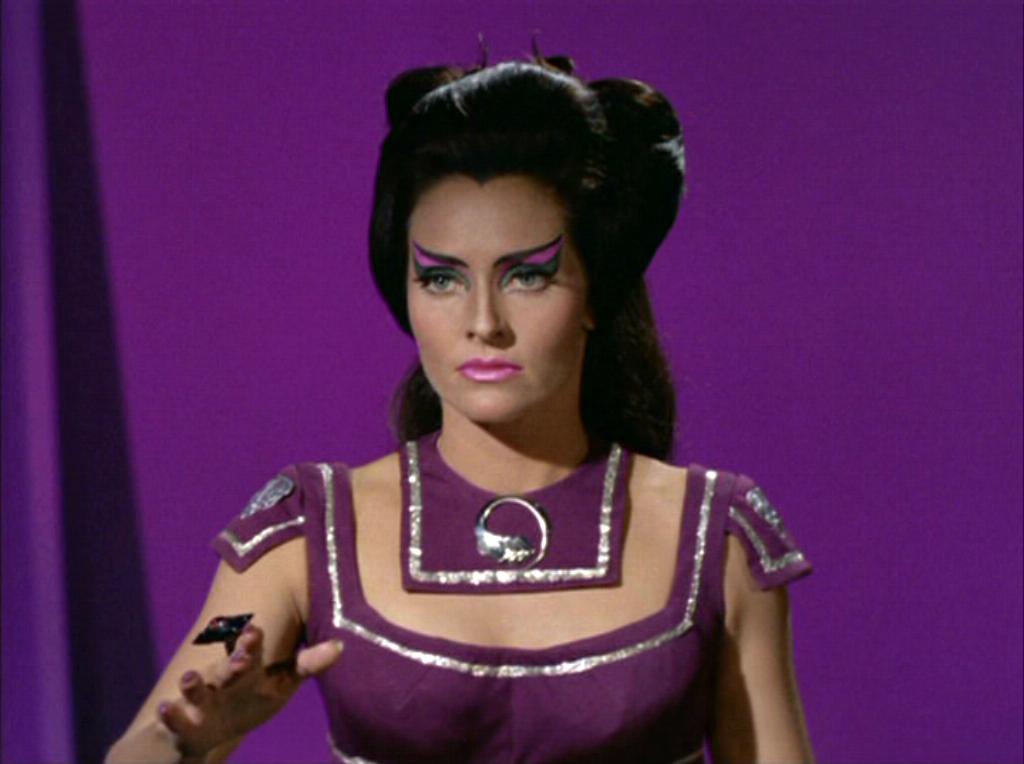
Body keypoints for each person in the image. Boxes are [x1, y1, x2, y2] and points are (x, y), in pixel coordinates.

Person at [107, 54, 814, 764]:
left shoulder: (717, 537)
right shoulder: (304, 528)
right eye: (442, 279)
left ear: (597, 292)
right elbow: (160, 726)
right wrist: (184, 744)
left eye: (528, 276)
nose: (483, 322)